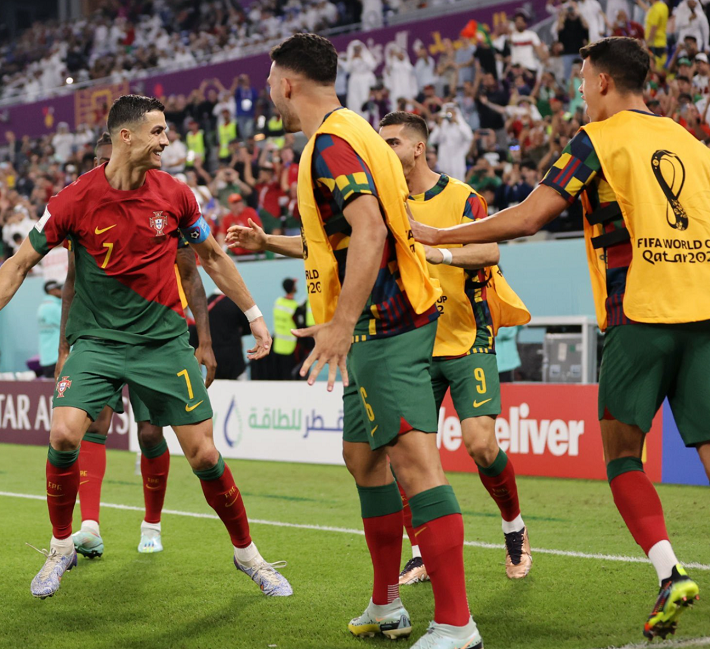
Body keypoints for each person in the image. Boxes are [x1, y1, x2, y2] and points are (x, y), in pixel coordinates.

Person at [410, 37, 706, 640]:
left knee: (623, 457)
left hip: (638, 316)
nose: (579, 89)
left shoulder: (595, 139)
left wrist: (438, 233)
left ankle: (670, 572)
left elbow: (527, 217)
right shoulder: (691, 143)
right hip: (703, 316)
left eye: (582, 78)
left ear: (602, 82)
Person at [0, 94, 291, 600]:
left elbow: (211, 257)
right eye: (158, 132)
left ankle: (248, 555)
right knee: (64, 433)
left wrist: (253, 315)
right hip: (97, 343)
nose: (167, 141)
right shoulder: (74, 199)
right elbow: (20, 262)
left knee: (204, 454)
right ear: (126, 136)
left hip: (163, 344)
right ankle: (60, 547)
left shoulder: (176, 195)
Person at [228, 33, 480, 648]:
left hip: (384, 325)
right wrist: (268, 243)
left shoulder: (331, 144)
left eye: (270, 83)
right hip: (377, 323)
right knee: (364, 459)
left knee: (415, 465)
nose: (269, 95)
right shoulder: (357, 132)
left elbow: (370, 230)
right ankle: (386, 603)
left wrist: (341, 323)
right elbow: (342, 237)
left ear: (287, 83)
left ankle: (457, 623)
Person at [378, 111, 533, 586]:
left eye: (392, 143)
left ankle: (514, 528)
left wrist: (438, 252)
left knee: (481, 445)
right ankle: (421, 553)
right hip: (413, 345)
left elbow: (490, 251)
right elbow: (323, 242)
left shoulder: (463, 196)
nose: (384, 151)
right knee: (405, 458)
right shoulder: (384, 202)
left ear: (418, 148)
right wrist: (266, 241)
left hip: (468, 337)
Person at [63, 132, 218, 559]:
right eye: (100, 160)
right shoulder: (84, 209)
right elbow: (72, 283)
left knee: (150, 432)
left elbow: (192, 274)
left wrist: (204, 341)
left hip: (155, 337)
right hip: (100, 337)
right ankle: (89, 527)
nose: (105, 167)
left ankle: (152, 523)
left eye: (110, 158)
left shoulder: (164, 202)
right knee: (94, 424)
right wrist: (64, 348)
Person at [272, 278, 300, 380]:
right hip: (290, 347)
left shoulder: (278, 302)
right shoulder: (295, 306)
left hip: (277, 345)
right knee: (288, 378)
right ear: (293, 288)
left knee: (278, 377)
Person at [38, 280, 63, 378]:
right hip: (56, 357)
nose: (62, 291)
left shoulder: (42, 307)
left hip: (47, 357)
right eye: (59, 289)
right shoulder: (54, 308)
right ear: (52, 291)